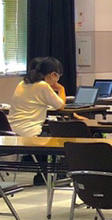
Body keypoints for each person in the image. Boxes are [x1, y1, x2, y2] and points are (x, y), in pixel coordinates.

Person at [9, 57, 69, 185]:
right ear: (53, 75)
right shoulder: (43, 86)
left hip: (12, 131)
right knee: (60, 137)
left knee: (48, 133)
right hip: (30, 132)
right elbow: (60, 105)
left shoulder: (23, 83)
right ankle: (54, 174)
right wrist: (61, 89)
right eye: (58, 76)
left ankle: (42, 175)